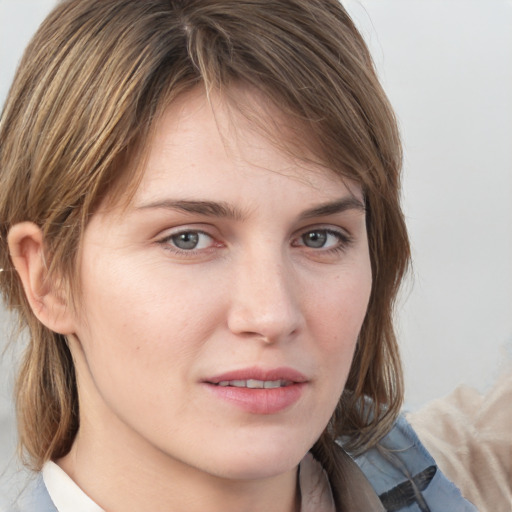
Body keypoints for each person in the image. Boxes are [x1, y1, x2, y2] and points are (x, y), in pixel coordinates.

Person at [0, 1, 478, 510]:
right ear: (47, 277)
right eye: (188, 238)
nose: (272, 315)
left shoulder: (449, 476)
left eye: (319, 237)